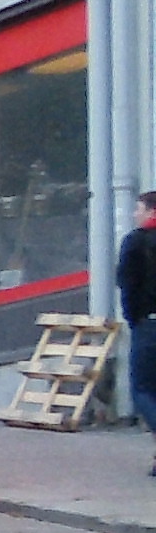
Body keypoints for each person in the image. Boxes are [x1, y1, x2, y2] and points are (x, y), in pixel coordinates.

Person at [120, 189, 156, 456]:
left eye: (139, 209)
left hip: (149, 324)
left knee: (142, 389)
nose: (135, 214)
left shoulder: (136, 242)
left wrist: (133, 319)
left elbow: (127, 285)